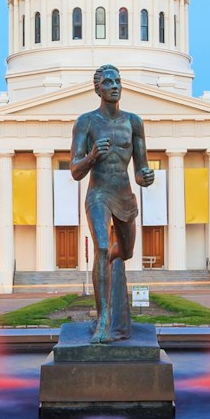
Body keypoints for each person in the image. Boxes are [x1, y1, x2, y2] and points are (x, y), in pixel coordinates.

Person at [70, 64, 154, 343]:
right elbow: (75, 171)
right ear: (97, 88)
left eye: (117, 81)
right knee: (103, 248)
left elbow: (141, 170)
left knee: (125, 252)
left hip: (124, 195)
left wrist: (146, 175)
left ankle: (107, 271)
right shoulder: (87, 122)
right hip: (99, 194)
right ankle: (104, 318)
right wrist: (93, 155)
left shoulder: (134, 122)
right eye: (108, 82)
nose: (115, 85)